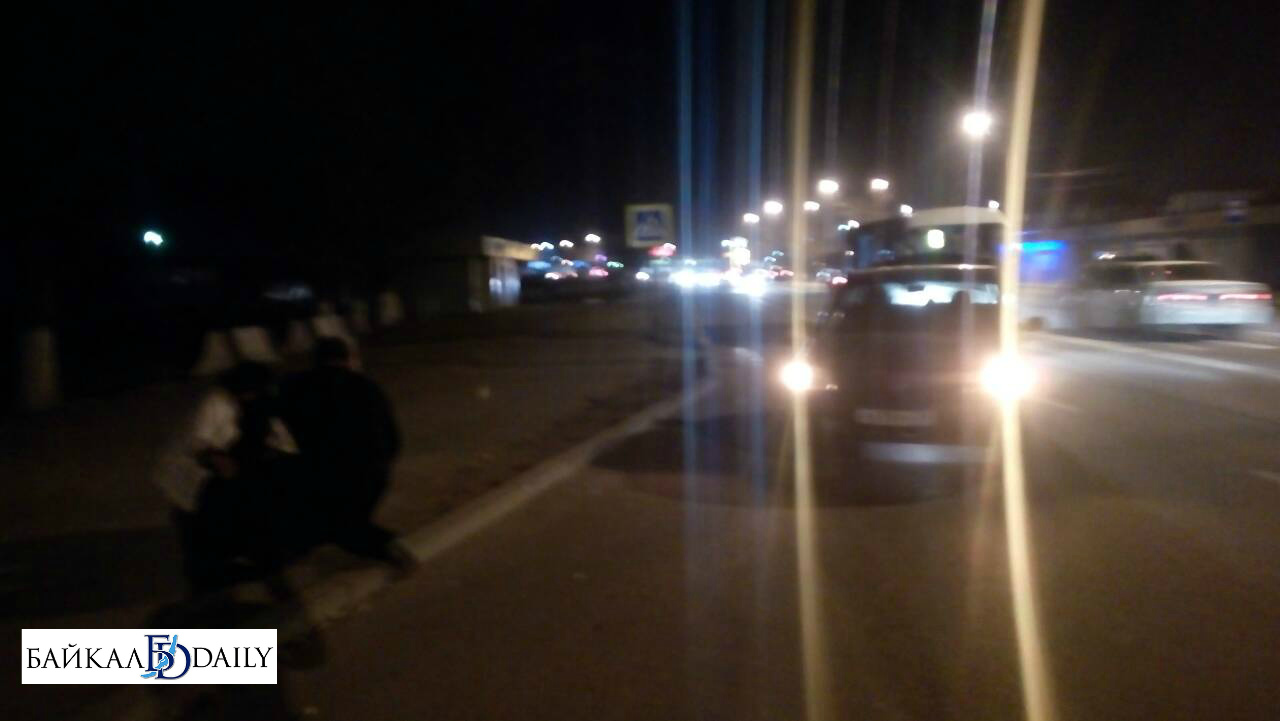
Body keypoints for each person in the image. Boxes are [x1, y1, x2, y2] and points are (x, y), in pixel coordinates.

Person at [154, 361, 299, 595]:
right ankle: (207, 578)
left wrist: (280, 456)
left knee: (241, 516)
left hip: (230, 473)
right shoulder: (215, 403)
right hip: (193, 473)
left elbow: (281, 439)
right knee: (199, 525)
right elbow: (198, 442)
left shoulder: (260, 403)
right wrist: (218, 459)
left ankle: (249, 561)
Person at [279, 337, 411, 570]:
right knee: (341, 520)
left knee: (338, 526)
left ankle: (386, 545)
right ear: (348, 359)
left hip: (328, 473)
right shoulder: (368, 387)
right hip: (373, 474)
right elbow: (393, 439)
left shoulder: (298, 387)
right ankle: (383, 543)